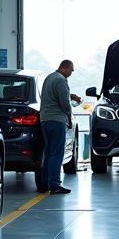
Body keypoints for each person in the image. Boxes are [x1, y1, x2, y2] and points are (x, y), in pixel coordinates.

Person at [39, 59, 80, 195]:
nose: (72, 72)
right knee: (57, 153)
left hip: (45, 120)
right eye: (71, 69)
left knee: (49, 152)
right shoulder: (61, 80)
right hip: (57, 120)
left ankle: (44, 184)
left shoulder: (49, 77)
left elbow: (54, 96)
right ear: (65, 67)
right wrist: (69, 117)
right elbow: (64, 103)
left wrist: (70, 95)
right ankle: (55, 185)